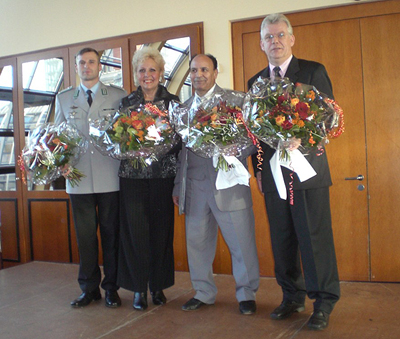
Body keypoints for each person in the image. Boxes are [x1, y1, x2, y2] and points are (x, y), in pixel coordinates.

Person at [247, 13, 340, 330]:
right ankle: (292, 296)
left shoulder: (313, 72)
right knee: (282, 239)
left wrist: (306, 137)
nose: (275, 41)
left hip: (307, 171)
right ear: (261, 44)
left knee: (314, 239)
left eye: (280, 35)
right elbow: (255, 135)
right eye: (269, 37)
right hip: (273, 175)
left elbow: (329, 120)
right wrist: (258, 170)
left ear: (292, 39)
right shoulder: (256, 83)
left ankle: (323, 302)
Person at [173, 54, 260, 315]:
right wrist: (179, 185)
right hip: (195, 186)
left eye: (204, 69)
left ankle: (247, 294)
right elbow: (181, 153)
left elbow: (254, 137)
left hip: (229, 183)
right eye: (193, 70)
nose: (198, 74)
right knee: (197, 243)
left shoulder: (237, 101)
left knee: (241, 242)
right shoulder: (183, 109)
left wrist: (230, 150)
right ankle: (203, 292)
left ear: (215, 72)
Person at [55, 47, 126, 308]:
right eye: (82, 63)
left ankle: (111, 288)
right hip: (78, 178)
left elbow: (126, 135)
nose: (87, 66)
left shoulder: (118, 96)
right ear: (76, 67)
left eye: (91, 62)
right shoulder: (64, 98)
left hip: (110, 176)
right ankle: (89, 288)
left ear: (99, 65)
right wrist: (60, 162)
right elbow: (58, 137)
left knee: (111, 235)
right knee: (85, 238)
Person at [117, 47, 179, 311]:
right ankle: (138, 289)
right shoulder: (126, 103)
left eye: (152, 69)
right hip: (132, 177)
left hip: (162, 176)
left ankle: (158, 286)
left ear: (161, 73)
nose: (147, 75)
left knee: (161, 233)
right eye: (142, 70)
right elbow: (118, 138)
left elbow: (180, 140)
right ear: (136, 74)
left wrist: (157, 146)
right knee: (135, 233)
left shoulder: (173, 102)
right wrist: (133, 146)